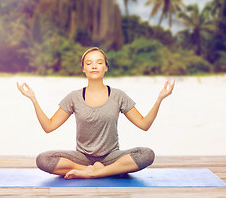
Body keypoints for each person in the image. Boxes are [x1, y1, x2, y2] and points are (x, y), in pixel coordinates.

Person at [17, 47, 175, 179]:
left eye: (99, 63)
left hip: (111, 157)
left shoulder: (118, 95)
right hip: (82, 158)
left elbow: (144, 124)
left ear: (105, 67)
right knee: (43, 160)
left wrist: (160, 98)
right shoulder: (74, 97)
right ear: (83, 69)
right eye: (89, 63)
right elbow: (49, 126)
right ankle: (98, 170)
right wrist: (33, 99)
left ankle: (95, 173)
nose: (94, 66)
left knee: (146, 154)